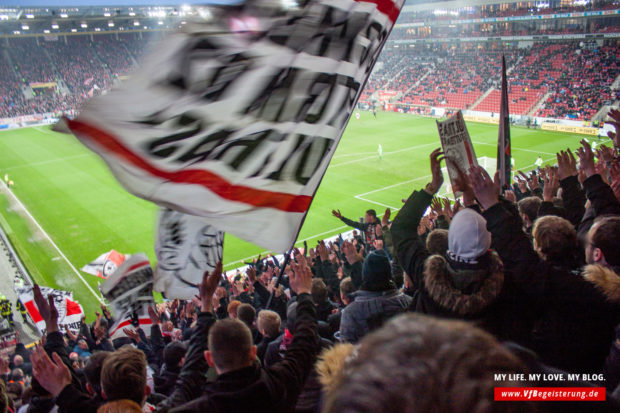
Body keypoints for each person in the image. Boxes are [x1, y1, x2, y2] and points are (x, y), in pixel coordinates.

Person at [156, 254, 320, 412]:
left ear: (210, 359)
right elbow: (306, 340)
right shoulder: (281, 383)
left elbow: (188, 382)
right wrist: (304, 292)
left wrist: (206, 306)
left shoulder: (202, 407)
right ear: (252, 351)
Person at [339, 249, 411, 343]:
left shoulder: (350, 314)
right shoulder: (409, 302)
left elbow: (347, 353)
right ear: (389, 274)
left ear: (364, 276)